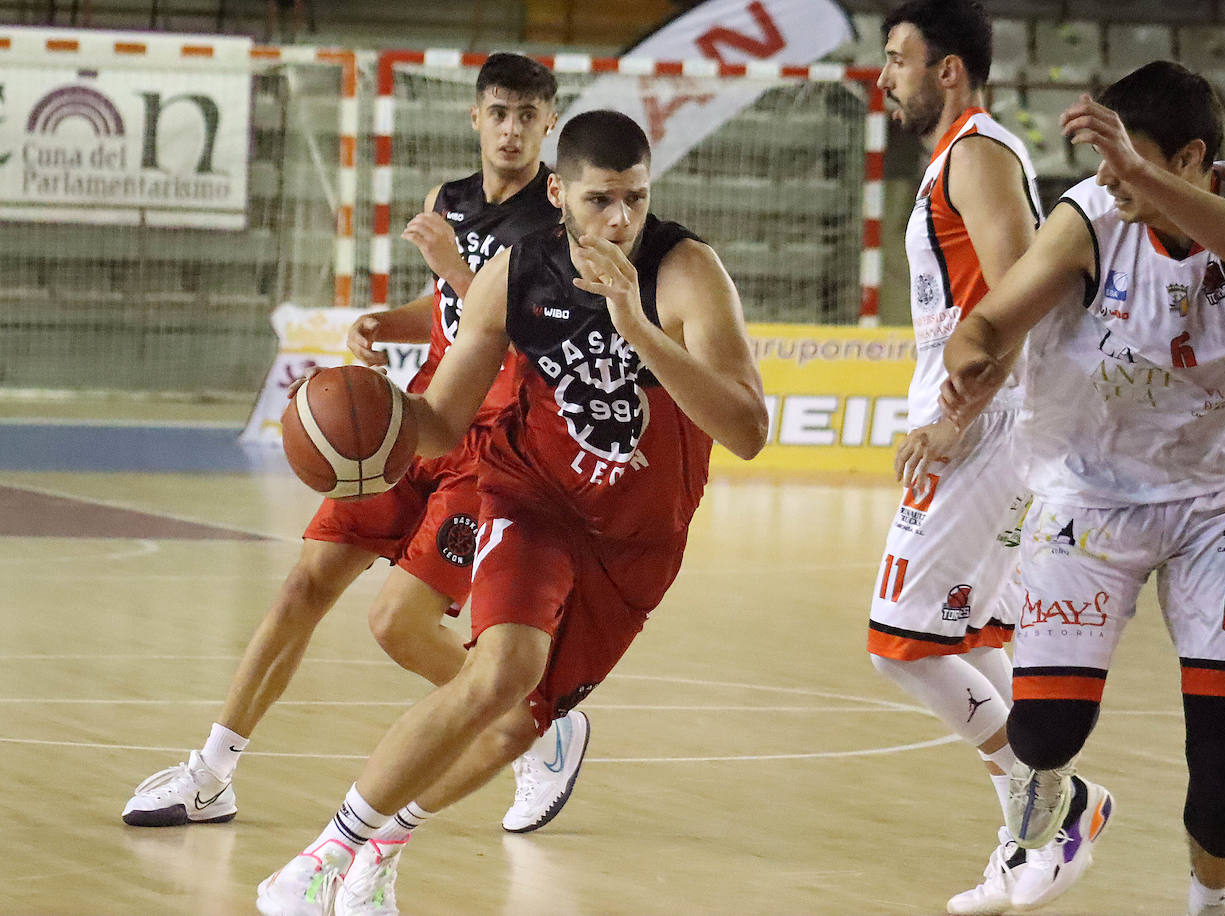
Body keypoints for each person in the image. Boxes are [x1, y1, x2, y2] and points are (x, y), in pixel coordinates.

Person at [254, 108, 768, 916]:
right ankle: (322, 859)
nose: (622, 218)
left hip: (638, 539)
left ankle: (382, 849)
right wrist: (376, 416)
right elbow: (441, 423)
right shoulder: (514, 269)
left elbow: (747, 430)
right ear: (558, 193)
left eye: (636, 197)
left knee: (520, 725)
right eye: (601, 199)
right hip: (530, 500)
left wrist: (636, 325)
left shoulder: (685, 273)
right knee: (502, 671)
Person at [122, 53, 591, 839]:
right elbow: (450, 309)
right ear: (475, 117)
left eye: (529, 114)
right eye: (500, 111)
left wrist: (451, 265)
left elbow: (529, 331)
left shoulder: (557, 220)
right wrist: (389, 320)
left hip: (493, 444)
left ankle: (535, 717)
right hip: (417, 420)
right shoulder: (454, 200)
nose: (512, 128)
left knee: (396, 626)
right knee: (303, 585)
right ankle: (211, 774)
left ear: (551, 122)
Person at [940, 61, 1225, 916]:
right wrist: (971, 360)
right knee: (1044, 734)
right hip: (1090, 497)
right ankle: (1060, 820)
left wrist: (1143, 179)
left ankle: (1213, 904)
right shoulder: (1092, 219)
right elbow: (994, 319)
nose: (1109, 178)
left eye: (1130, 160)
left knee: (1221, 754)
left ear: (1190, 158)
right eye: (1108, 163)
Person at [867, 4, 1109, 913]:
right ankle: (1035, 833)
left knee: (899, 642)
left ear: (950, 71)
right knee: (976, 635)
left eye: (899, 60)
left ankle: (1057, 799)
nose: (885, 77)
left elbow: (1019, 294)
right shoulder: (959, 156)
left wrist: (955, 418)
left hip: (987, 421)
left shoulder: (975, 152)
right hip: (996, 419)